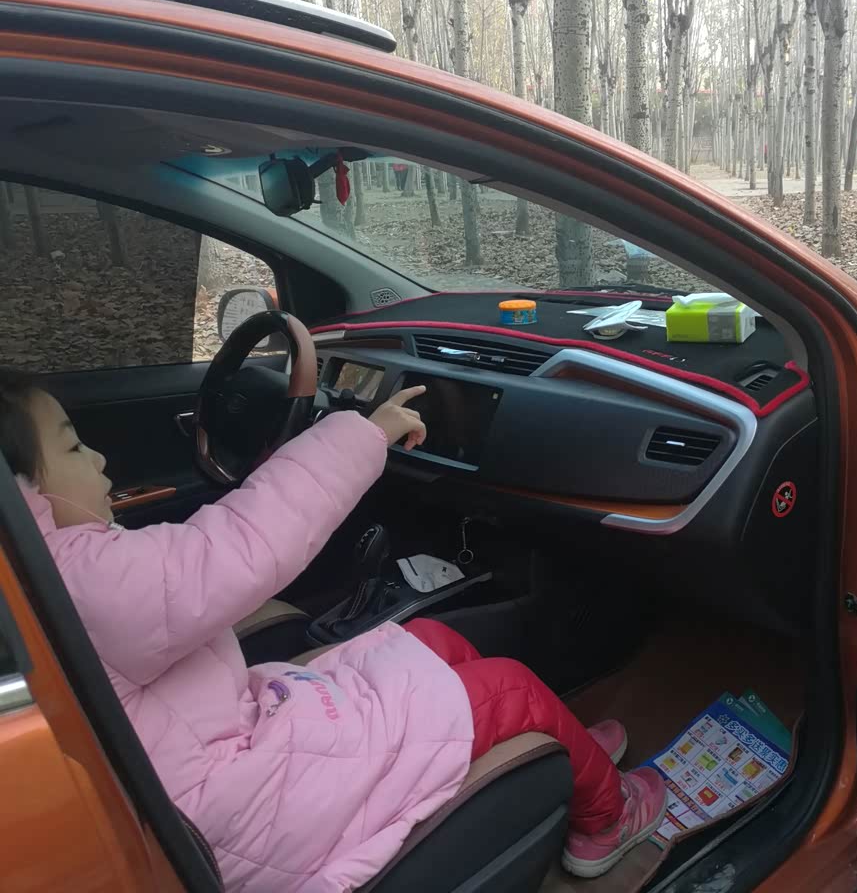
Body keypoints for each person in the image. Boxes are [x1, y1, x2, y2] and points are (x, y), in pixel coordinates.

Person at [0, 369, 665, 891]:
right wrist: (362, 434)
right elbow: (242, 542)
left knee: (434, 643)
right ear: (21, 490)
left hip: (222, 751)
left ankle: (577, 754)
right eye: (73, 446)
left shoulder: (43, 570)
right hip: (248, 807)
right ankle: (607, 820)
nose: (99, 458)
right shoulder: (76, 574)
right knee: (511, 688)